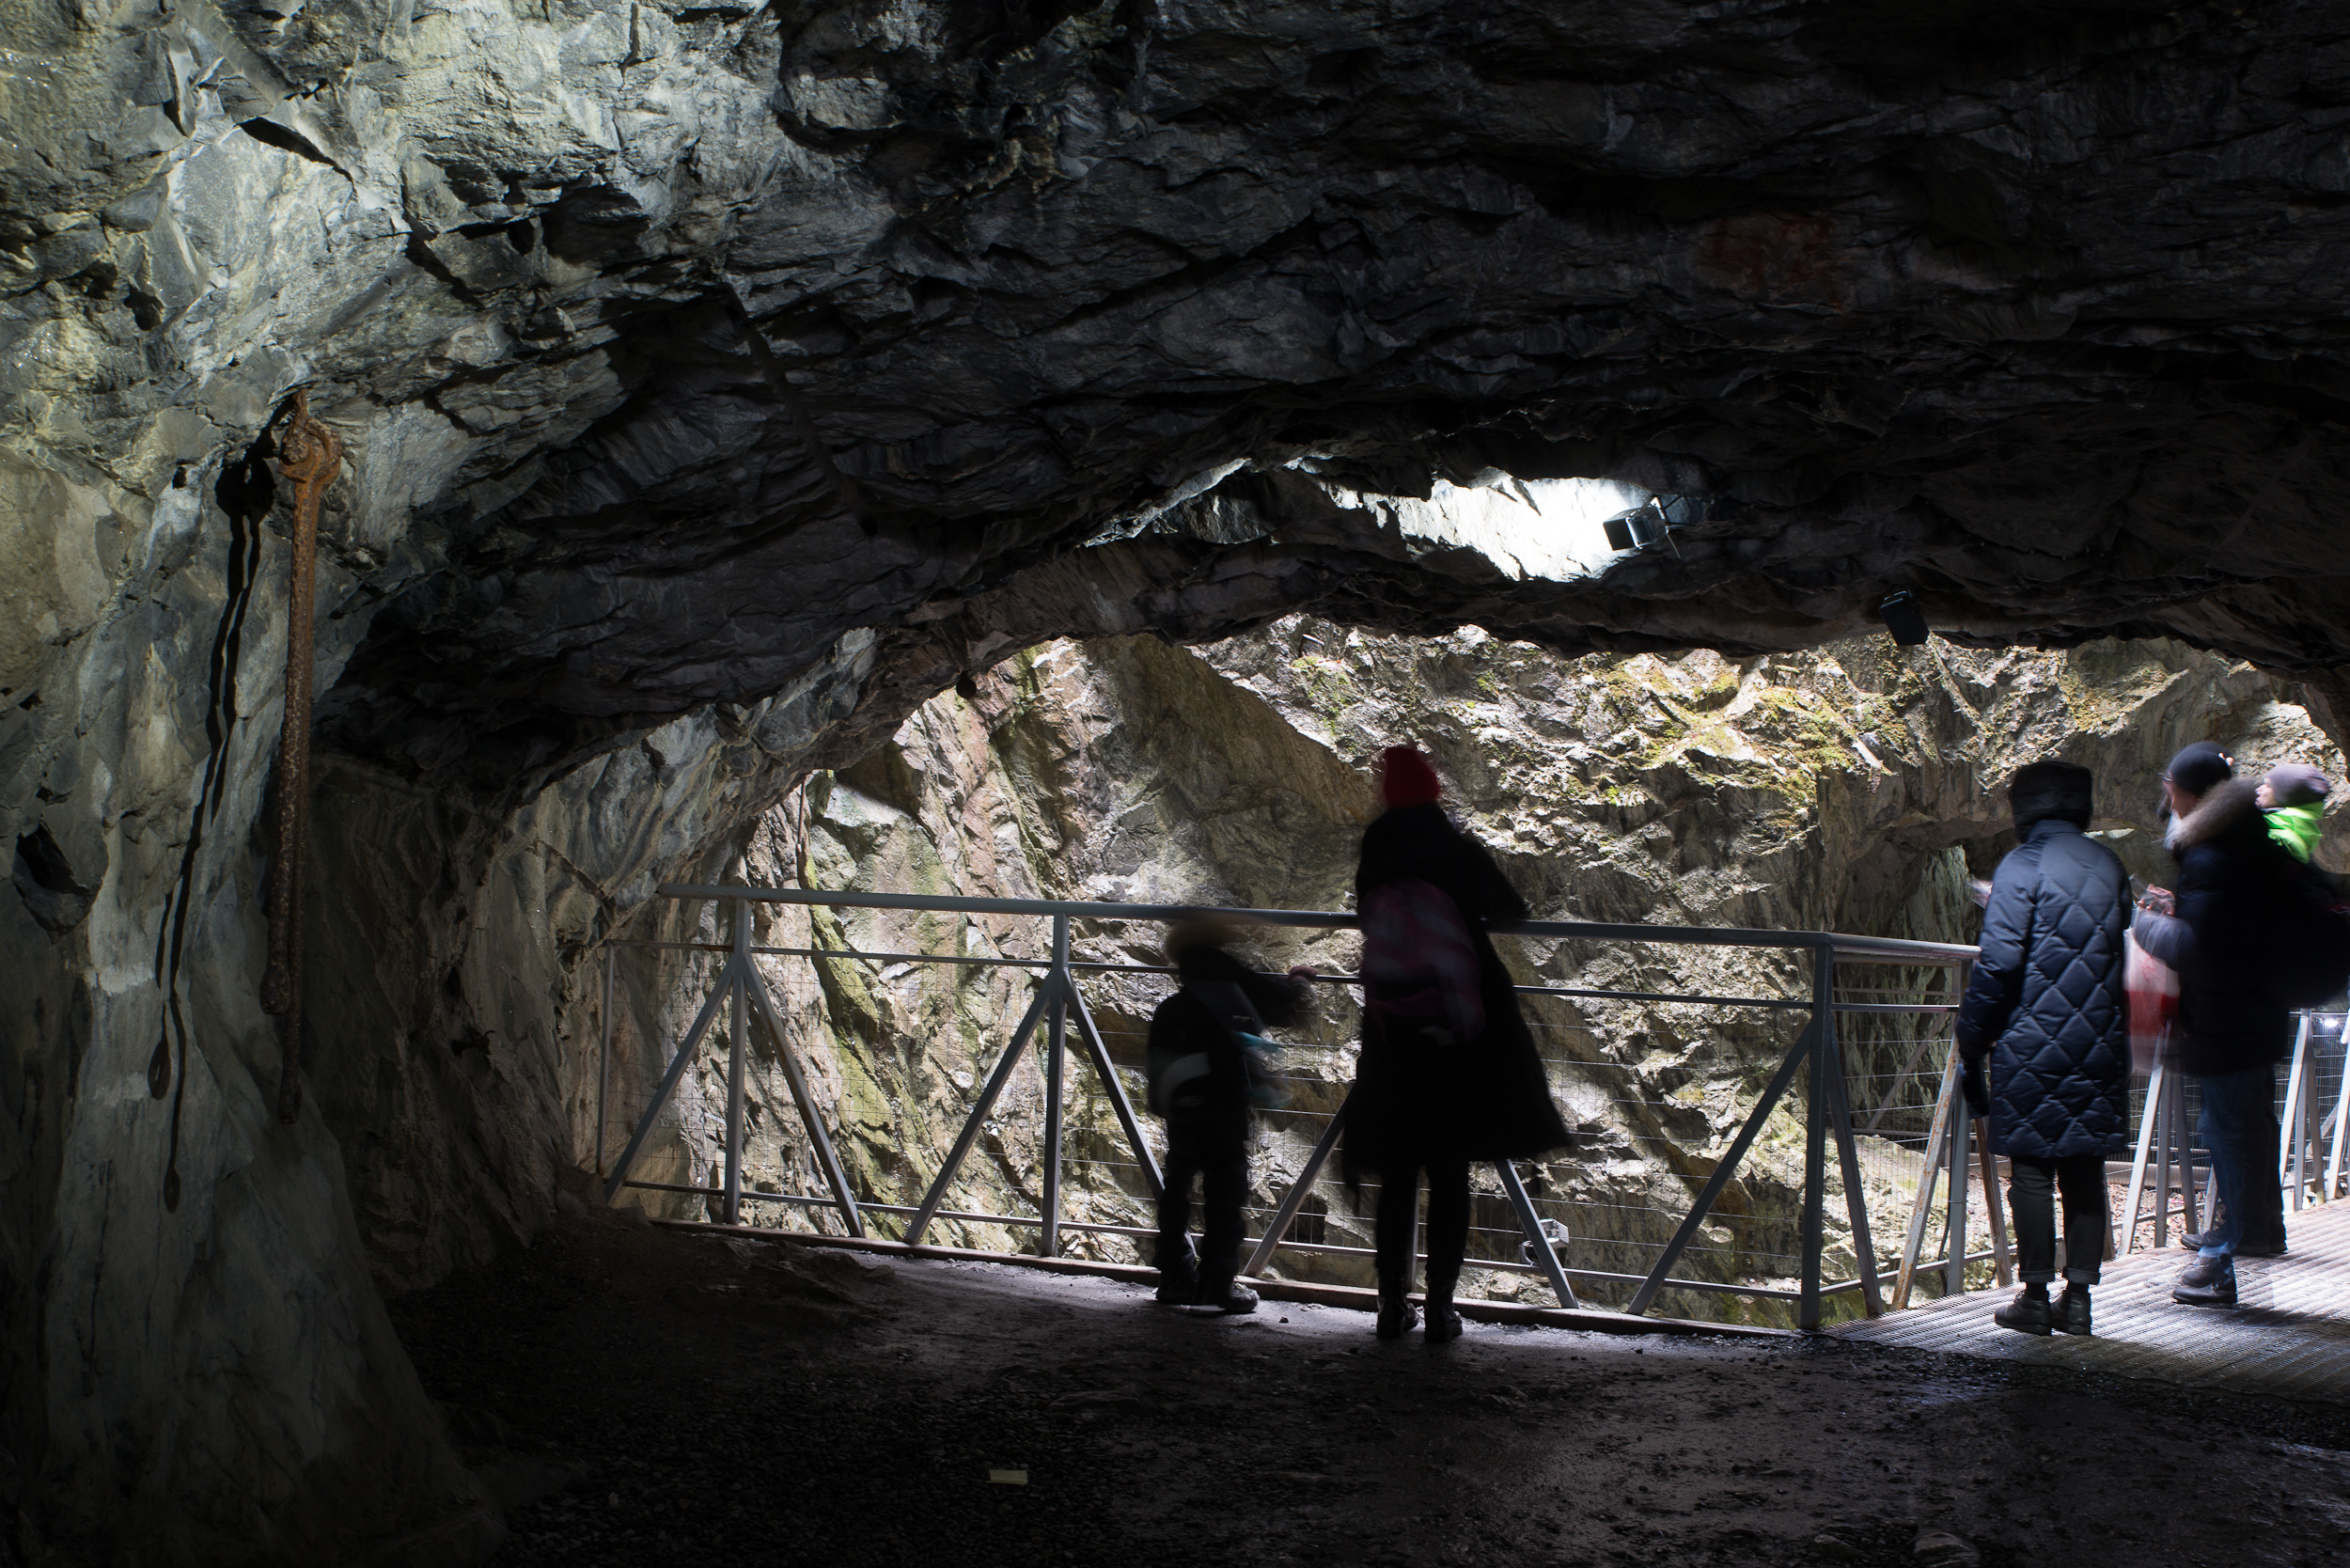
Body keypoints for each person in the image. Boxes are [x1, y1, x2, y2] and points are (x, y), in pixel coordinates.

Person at [1341, 745, 1569, 1342]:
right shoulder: (1456, 849)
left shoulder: (1376, 850)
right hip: (1458, 1034)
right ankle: (1441, 1306)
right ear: (1435, 790)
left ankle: (1392, 1302)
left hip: (1393, 1033)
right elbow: (1510, 909)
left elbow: (1366, 913)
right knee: (1448, 1173)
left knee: (1398, 1172)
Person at [1954, 760, 2132, 1337]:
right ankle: (2077, 1300)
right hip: (2100, 1041)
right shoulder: (2108, 863)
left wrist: (1971, 1040)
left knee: (2031, 1170)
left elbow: (2000, 963)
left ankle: (2034, 1296)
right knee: (2084, 1168)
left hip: (2032, 1044)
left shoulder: (2021, 866)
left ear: (2023, 808)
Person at [2131, 742, 2297, 1305]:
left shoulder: (2212, 853)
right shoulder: (2246, 842)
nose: (2164, 793)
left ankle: (2217, 1263)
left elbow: (2199, 947)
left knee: (2227, 1133)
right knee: (2244, 1128)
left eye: (2169, 782)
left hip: (2230, 1020)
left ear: (2189, 790)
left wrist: (2143, 926)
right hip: (2255, 1013)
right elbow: (2230, 930)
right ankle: (2257, 1233)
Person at [1148, 919, 1311, 1313]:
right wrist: (1301, 982)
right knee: (1225, 1189)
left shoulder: (1172, 1007)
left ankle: (1173, 1278)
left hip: (1182, 1109)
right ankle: (1217, 1285)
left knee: (1178, 1187)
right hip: (1222, 1104)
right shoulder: (1231, 987)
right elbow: (1280, 1000)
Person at [2259, 762, 2330, 864]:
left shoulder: (2282, 842)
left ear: (2284, 797)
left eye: (2268, 785)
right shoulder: (2275, 825)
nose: (2259, 789)